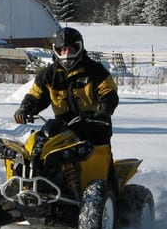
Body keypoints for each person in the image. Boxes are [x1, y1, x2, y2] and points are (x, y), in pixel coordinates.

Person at [14, 27, 119, 185]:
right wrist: (25, 108)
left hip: (94, 125)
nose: (67, 54)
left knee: (102, 165)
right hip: (63, 127)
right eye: (62, 50)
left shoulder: (95, 71)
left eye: (70, 49)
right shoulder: (48, 75)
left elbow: (108, 92)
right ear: (56, 51)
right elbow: (35, 95)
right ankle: (33, 186)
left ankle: (111, 196)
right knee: (38, 149)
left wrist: (104, 110)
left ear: (79, 48)